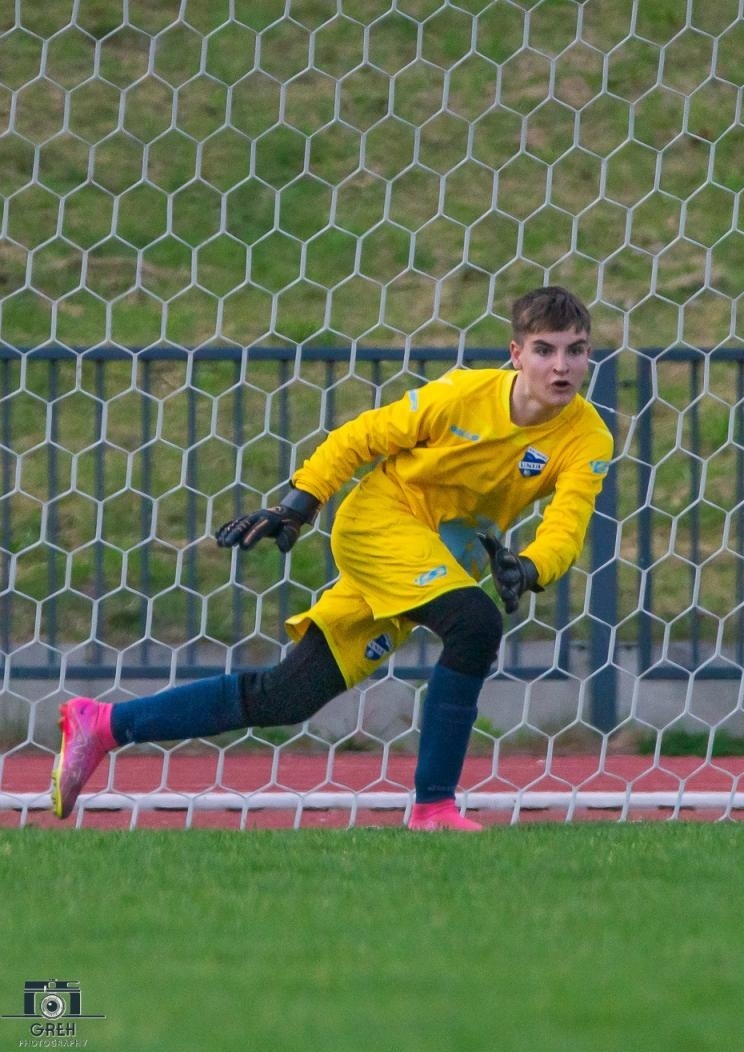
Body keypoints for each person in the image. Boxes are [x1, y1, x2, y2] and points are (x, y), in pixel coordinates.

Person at [52, 286, 614, 830]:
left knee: (288, 695)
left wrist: (534, 566)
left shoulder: (587, 437)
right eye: (544, 349)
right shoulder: (461, 396)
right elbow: (360, 436)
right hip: (381, 524)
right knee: (475, 623)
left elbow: (569, 525)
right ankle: (434, 808)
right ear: (516, 355)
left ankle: (101, 725)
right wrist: (299, 503)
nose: (561, 365)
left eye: (576, 350)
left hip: (439, 559)